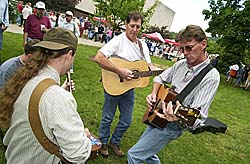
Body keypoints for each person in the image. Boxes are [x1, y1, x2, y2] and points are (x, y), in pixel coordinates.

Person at [127, 25, 220, 164]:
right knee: (147, 153)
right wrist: (153, 94)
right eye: (181, 49)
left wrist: (176, 117)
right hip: (158, 115)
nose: (185, 53)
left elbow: (196, 116)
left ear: (203, 44)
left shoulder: (211, 77)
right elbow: (160, 78)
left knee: (134, 155)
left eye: (189, 48)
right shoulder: (181, 64)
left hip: (173, 125)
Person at [0, 27, 91, 163]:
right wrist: (85, 138)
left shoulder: (25, 78)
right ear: (69, 54)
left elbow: (37, 104)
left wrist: (58, 90)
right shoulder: (57, 98)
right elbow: (77, 154)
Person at [92, 11, 152, 158]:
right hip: (113, 84)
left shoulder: (142, 45)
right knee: (108, 117)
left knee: (126, 120)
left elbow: (148, 66)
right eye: (132, 25)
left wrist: (158, 72)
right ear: (126, 24)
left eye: (138, 26)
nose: (135, 29)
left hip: (129, 87)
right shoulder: (118, 40)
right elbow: (99, 57)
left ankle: (115, 141)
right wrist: (119, 70)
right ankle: (104, 142)